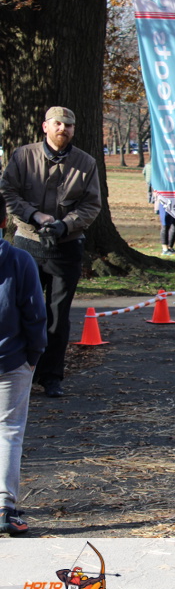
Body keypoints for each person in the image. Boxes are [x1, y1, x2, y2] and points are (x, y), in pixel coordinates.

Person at [0, 106, 102, 398]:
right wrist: (34, 216)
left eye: (68, 125)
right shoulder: (23, 156)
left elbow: (92, 204)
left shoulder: (86, 162)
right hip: (28, 244)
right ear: (45, 126)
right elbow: (7, 192)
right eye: (57, 123)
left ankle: (52, 376)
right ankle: (22, 371)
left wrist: (64, 225)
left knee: (58, 315)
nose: (63, 129)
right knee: (22, 309)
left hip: (66, 246)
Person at [0, 196, 47, 535]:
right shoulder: (20, 260)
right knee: (9, 431)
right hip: (12, 358)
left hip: (14, 358)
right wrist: (34, 354)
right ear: (5, 222)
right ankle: (4, 505)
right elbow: (35, 313)